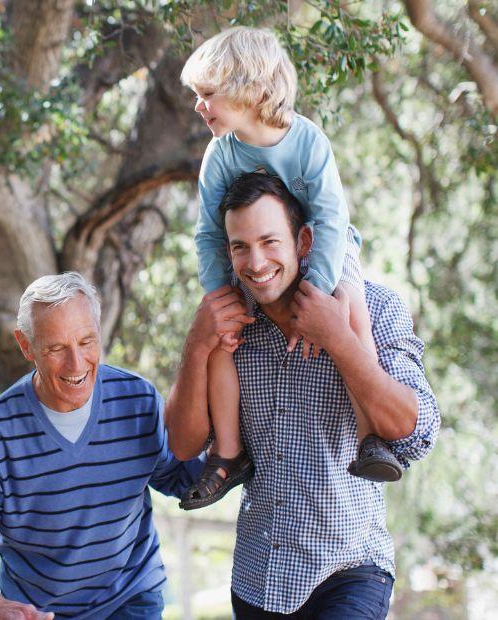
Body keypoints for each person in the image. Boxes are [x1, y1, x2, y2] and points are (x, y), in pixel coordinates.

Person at [165, 173, 441, 617]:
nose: (255, 263)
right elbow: (182, 444)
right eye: (240, 247)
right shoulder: (226, 324)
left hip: (350, 571)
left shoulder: (372, 309)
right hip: (259, 577)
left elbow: (416, 433)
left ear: (305, 240)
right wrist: (196, 345)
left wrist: (340, 340)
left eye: (270, 242)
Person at [178, 26, 401, 510]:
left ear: (251, 90)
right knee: (221, 333)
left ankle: (370, 438)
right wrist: (221, 295)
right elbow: (209, 233)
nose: (199, 106)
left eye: (207, 94)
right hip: (259, 260)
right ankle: (228, 453)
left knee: (351, 307)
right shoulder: (221, 154)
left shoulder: (307, 142)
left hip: (328, 247)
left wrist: (318, 295)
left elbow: (332, 217)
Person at [0, 272, 204, 620]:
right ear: (25, 345)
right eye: (55, 348)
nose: (77, 365)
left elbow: (180, 479)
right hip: (36, 611)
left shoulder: (137, 400)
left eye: (86, 342)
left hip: (130, 598)